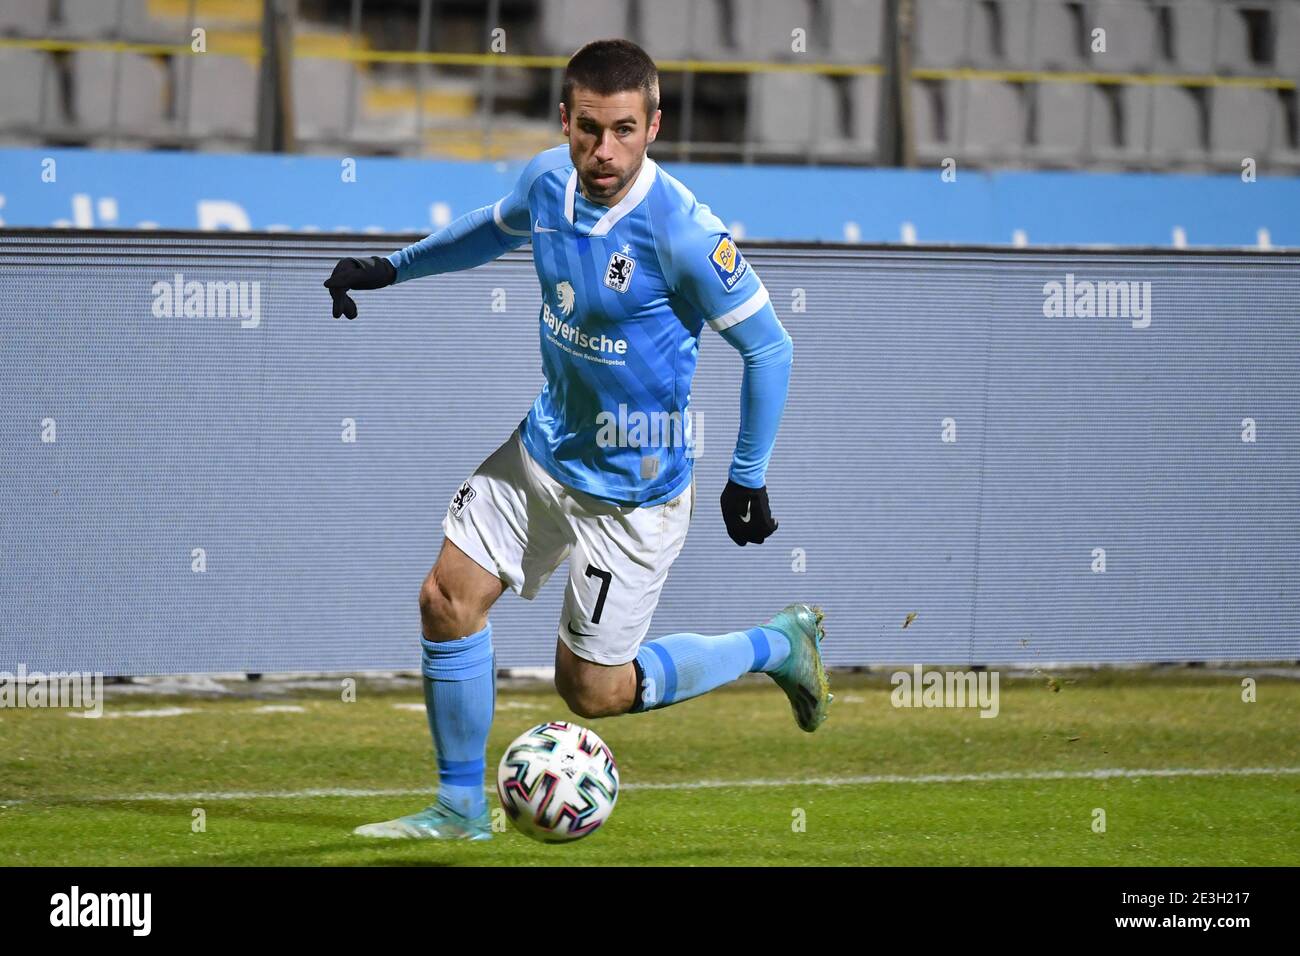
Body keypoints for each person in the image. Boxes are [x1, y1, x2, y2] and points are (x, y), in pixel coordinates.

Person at [326, 38, 831, 841]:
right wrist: (391, 268)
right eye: (589, 129)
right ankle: (460, 809)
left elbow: (771, 347)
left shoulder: (684, 234)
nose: (605, 151)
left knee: (591, 692)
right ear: (564, 120)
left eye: (625, 130)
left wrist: (748, 474)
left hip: (633, 492)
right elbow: (491, 232)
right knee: (446, 600)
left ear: (654, 124)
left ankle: (775, 645)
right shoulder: (546, 180)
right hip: (544, 450)